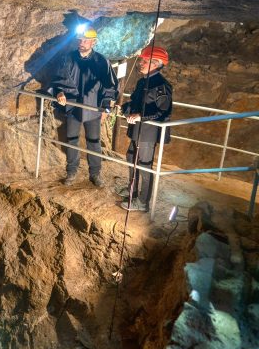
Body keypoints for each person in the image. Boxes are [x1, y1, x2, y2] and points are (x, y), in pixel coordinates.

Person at [50, 25, 118, 187]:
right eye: (80, 39)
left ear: (93, 42)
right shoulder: (68, 58)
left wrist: (106, 108)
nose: (82, 42)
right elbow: (59, 80)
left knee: (93, 141)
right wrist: (59, 93)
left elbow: (110, 86)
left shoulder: (101, 61)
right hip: (73, 107)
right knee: (72, 140)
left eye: (86, 40)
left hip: (93, 108)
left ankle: (95, 173)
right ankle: (71, 171)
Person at [118, 46, 173, 212]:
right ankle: (132, 190)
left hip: (148, 133)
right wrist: (125, 108)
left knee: (144, 165)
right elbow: (134, 102)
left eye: (144, 61)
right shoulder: (143, 81)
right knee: (131, 158)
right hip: (137, 130)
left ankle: (142, 202)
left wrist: (140, 117)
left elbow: (163, 111)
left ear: (155, 64)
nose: (140, 63)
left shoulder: (162, 85)